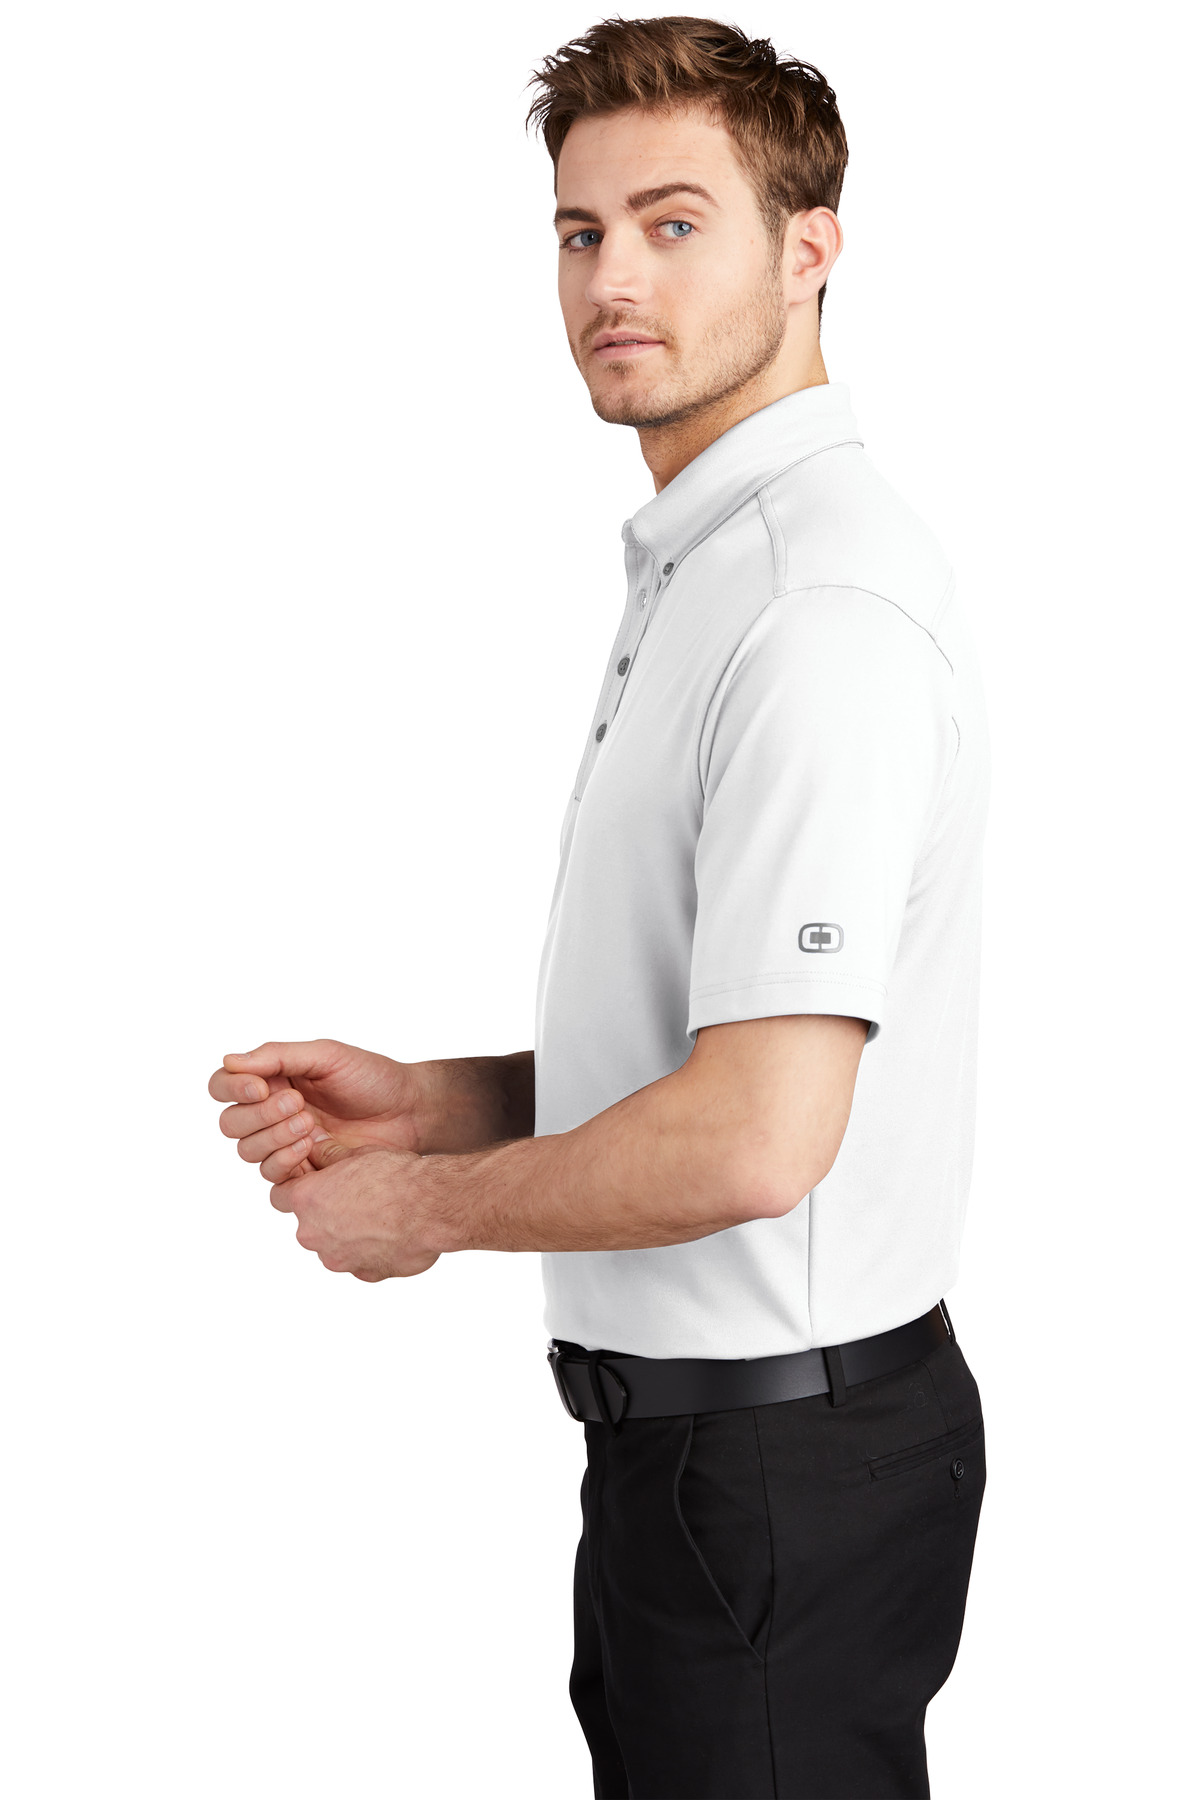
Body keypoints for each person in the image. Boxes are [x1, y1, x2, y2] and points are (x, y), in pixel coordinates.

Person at [207, 16, 989, 1798]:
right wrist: (442, 1103)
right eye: (580, 231)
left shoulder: (817, 610)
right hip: (700, 1471)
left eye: (672, 222)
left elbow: (755, 1138)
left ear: (811, 246)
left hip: (776, 1478)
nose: (611, 278)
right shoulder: (712, 570)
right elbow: (703, 1042)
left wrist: (423, 1211)